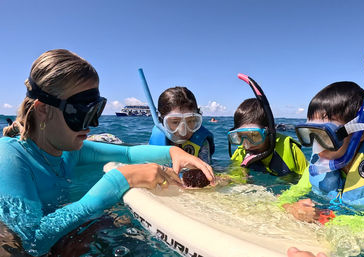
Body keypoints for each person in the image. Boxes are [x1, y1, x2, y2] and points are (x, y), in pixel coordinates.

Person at [0, 49, 214, 256]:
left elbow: (128, 155)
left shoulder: (69, 151)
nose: (92, 124)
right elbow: (31, 241)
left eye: (96, 111)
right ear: (43, 110)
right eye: (82, 112)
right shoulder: (11, 156)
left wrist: (174, 152)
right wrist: (120, 179)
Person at [278, 81, 364, 231]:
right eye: (310, 135)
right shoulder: (318, 161)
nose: (317, 146)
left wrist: (323, 217)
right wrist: (291, 208)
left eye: (325, 135)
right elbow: (288, 196)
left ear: (362, 132)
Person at [229, 98, 308, 177]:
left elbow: (308, 181)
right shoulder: (240, 153)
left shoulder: (292, 152)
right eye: (240, 136)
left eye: (254, 135)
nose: (247, 145)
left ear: (268, 132)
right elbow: (232, 177)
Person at [148, 86, 215, 164]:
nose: (183, 131)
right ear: (161, 121)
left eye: (190, 121)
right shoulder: (157, 141)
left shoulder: (202, 143)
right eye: (175, 122)